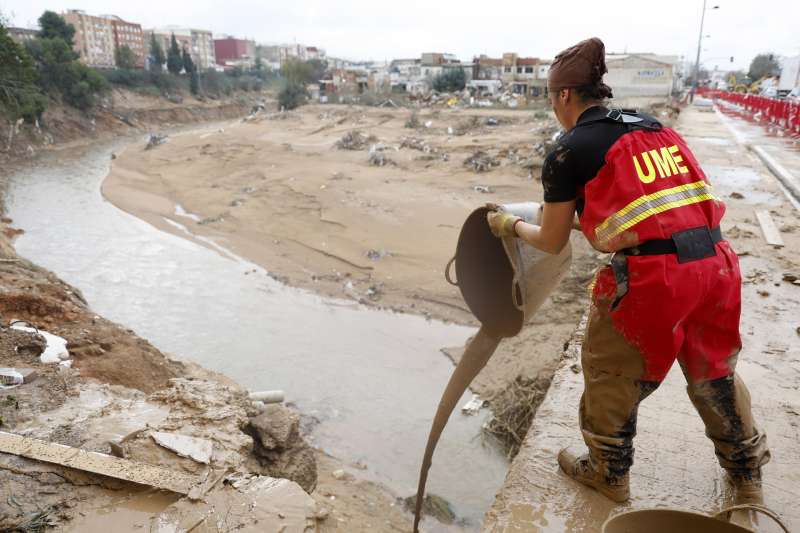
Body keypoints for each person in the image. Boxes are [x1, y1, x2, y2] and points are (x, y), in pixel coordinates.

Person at [487, 37, 769, 505]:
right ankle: (747, 474)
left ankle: (608, 472)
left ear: (563, 95)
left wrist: (509, 225)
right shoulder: (653, 128)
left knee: (610, 370)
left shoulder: (568, 150)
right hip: (716, 266)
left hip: (655, 279)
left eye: (552, 98)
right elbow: (653, 210)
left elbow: (551, 242)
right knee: (714, 372)